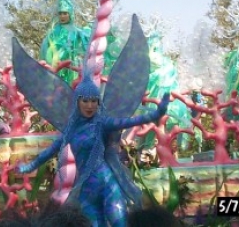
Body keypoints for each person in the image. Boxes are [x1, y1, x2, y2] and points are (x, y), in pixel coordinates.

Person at [13, 14, 170, 227]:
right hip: (86, 189)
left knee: (119, 222)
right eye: (85, 101)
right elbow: (49, 152)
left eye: (94, 101)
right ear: (77, 102)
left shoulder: (103, 123)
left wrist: (155, 114)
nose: (89, 105)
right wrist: (28, 166)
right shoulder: (70, 130)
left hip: (108, 185)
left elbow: (128, 121)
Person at [40, 0, 91, 85]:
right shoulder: (53, 32)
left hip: (71, 67)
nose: (62, 16)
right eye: (60, 13)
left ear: (70, 14)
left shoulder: (77, 31)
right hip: (56, 66)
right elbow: (46, 48)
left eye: (65, 13)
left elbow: (87, 44)